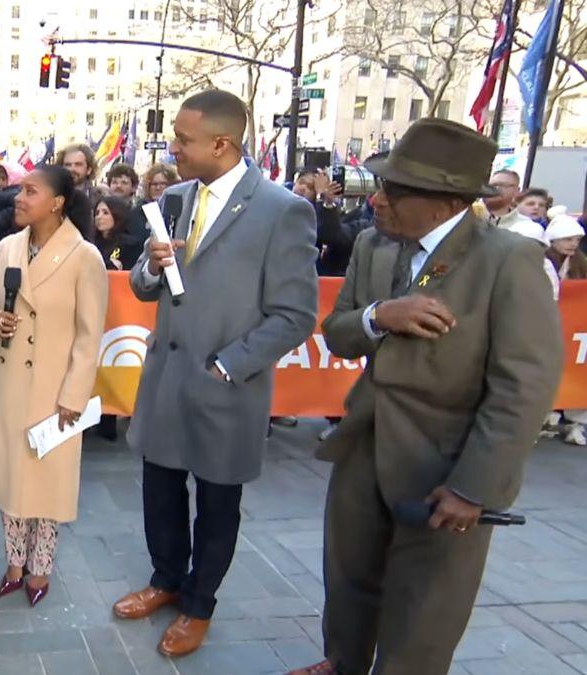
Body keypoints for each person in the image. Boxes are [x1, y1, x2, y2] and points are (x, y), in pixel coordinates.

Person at [288, 119, 563, 675]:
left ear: (445, 202)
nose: (379, 200)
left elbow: (523, 386)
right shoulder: (373, 245)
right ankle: (341, 664)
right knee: (347, 581)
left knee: (424, 610)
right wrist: (378, 316)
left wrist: (474, 487)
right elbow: (339, 332)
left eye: (395, 190)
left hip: (446, 466)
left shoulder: (507, 261)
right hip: (364, 447)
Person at [113, 90, 318, 658]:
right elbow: (140, 284)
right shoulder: (175, 198)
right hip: (165, 382)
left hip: (227, 388)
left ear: (222, 144)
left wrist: (229, 366)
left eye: (183, 139)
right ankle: (166, 580)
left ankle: (200, 605)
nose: (172, 146)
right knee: (159, 491)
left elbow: (296, 314)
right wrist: (150, 267)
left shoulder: (282, 210)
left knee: (217, 503)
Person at [0, 165, 107, 607]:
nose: (19, 198)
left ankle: (41, 566)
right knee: (10, 477)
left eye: (31, 191)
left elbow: (90, 336)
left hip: (54, 392)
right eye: (20, 190)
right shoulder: (7, 248)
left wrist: (74, 394)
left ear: (58, 202)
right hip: (6, 384)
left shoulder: (84, 256)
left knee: (47, 483)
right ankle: (14, 562)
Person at [542, 213, 587, 446]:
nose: (573, 244)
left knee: (574, 370)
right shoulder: (543, 259)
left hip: (573, 327)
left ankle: (574, 421)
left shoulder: (581, 262)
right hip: (549, 324)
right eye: (568, 239)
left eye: (577, 240)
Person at [93, 195, 138, 271]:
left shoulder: (129, 244)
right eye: (97, 213)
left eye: (105, 213)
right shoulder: (91, 243)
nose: (99, 217)